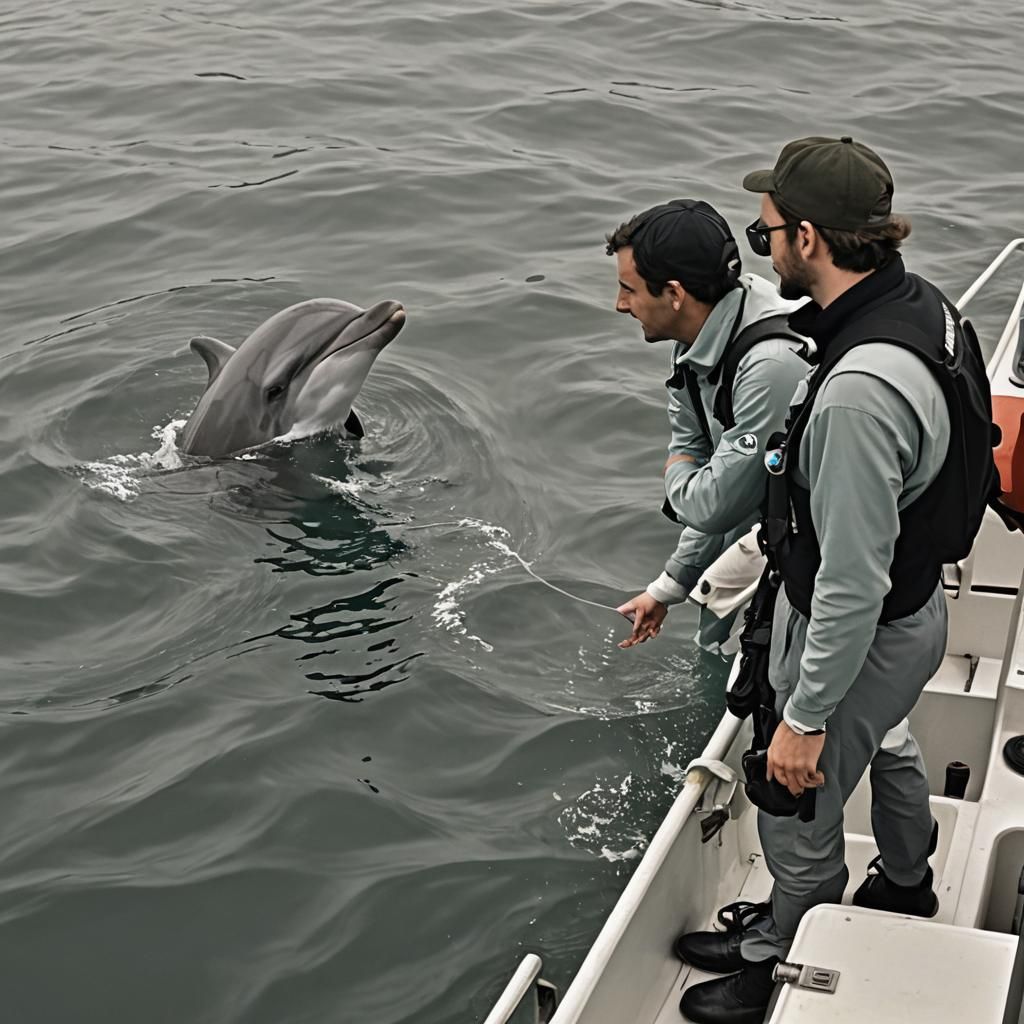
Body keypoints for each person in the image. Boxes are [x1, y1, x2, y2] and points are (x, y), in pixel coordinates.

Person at [676, 136, 991, 1024]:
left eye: (764, 228)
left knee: (793, 808)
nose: (761, 246)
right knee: (885, 741)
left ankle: (785, 955)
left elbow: (851, 580)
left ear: (807, 238)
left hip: (858, 632)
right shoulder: (925, 309)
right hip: (916, 615)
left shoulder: (857, 393)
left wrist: (805, 719)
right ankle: (906, 883)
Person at [605, 200, 808, 650]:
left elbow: (715, 501)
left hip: (808, 573)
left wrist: (679, 473)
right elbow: (714, 478)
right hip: (758, 537)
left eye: (628, 289)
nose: (620, 305)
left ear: (675, 294)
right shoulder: (691, 340)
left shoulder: (770, 366)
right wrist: (668, 587)